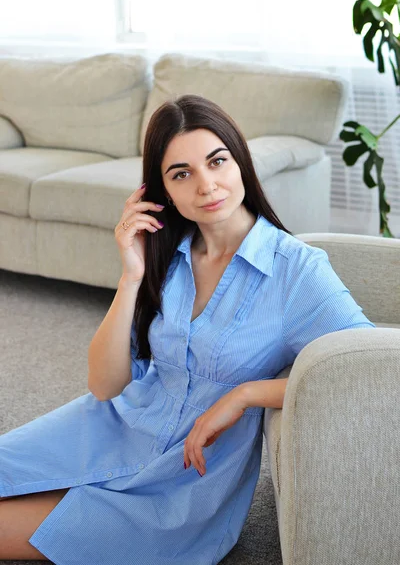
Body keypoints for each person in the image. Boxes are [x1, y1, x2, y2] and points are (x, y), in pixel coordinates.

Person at [0, 94, 375, 564]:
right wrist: (130, 276)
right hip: (118, 426)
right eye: (182, 174)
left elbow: (363, 368)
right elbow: (104, 384)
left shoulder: (297, 271)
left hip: (184, 482)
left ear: (239, 160)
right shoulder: (165, 255)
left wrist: (243, 396)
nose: (207, 185)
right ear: (163, 191)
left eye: (217, 161)